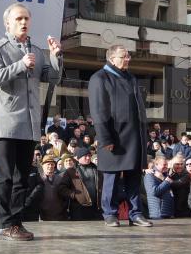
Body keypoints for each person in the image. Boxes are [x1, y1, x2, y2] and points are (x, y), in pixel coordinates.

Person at [0, 2, 63, 240]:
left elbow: (54, 78)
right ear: (8, 22)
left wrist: (55, 56)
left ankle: (16, 222)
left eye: (27, 19)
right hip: (6, 124)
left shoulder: (37, 52)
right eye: (19, 18)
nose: (24, 22)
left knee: (22, 178)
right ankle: (3, 223)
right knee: (5, 177)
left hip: (29, 125)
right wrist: (20, 65)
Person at [88, 44, 152, 228]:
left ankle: (136, 213)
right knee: (111, 178)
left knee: (134, 177)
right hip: (114, 137)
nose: (128, 59)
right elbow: (99, 111)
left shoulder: (131, 77)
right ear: (111, 58)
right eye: (124, 56)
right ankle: (110, 213)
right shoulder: (99, 78)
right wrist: (105, 138)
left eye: (128, 56)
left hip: (134, 137)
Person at [65, 147, 101, 220]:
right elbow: (62, 188)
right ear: (79, 158)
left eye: (89, 156)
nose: (88, 158)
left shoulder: (97, 169)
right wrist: (74, 195)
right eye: (85, 156)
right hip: (78, 208)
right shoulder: (71, 171)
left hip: (95, 208)